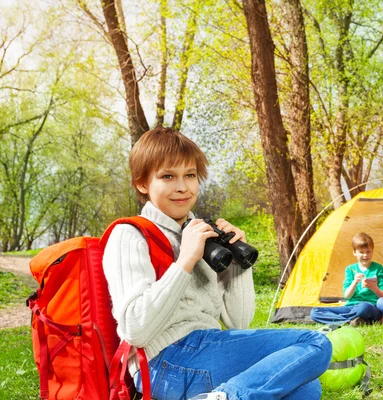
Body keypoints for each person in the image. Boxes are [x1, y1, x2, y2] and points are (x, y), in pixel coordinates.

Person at [102, 127, 332, 400]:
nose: (182, 187)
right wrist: (185, 260)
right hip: (163, 363)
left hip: (208, 351)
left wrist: (237, 264)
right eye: (167, 176)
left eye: (190, 175)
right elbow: (135, 330)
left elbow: (239, 322)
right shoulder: (129, 235)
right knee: (314, 342)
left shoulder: (203, 234)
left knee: (306, 388)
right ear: (142, 183)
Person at [310, 232, 383, 326]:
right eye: (361, 252)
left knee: (364, 307)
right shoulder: (350, 269)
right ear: (354, 252)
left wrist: (374, 288)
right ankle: (350, 321)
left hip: (371, 307)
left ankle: (343, 320)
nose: (365, 255)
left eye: (368, 252)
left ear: (372, 251)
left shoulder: (379, 269)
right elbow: (347, 296)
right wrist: (354, 282)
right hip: (351, 306)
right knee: (315, 312)